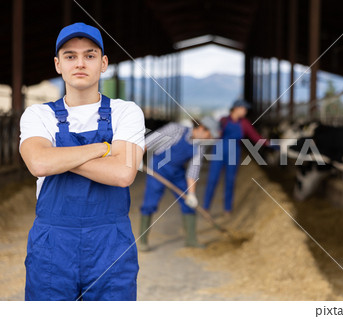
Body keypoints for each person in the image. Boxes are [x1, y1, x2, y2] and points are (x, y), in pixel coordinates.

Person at [19, 22, 145, 301]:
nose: (80, 63)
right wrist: (103, 148)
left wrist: (58, 156)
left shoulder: (126, 112)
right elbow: (39, 164)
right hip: (53, 244)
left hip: (110, 242)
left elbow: (123, 174)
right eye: (70, 56)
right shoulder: (37, 114)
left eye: (89, 56)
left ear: (103, 63)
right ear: (57, 64)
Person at [139, 118, 218, 251]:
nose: (209, 139)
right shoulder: (175, 129)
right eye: (209, 135)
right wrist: (136, 157)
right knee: (150, 203)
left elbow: (193, 170)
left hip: (176, 172)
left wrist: (192, 194)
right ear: (202, 128)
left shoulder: (200, 146)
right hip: (158, 168)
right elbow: (147, 143)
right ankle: (143, 241)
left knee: (189, 202)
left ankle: (191, 240)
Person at [203, 100, 269, 215]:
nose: (245, 111)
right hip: (219, 150)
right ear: (236, 108)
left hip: (234, 152)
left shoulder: (245, 123)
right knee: (212, 179)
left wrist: (271, 144)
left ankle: (227, 209)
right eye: (244, 109)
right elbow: (214, 134)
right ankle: (205, 208)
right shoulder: (223, 121)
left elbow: (256, 137)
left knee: (230, 181)